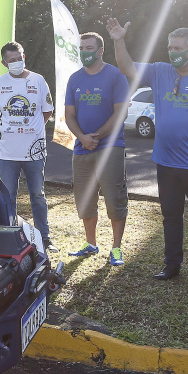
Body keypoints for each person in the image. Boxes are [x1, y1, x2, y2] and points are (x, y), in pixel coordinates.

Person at [106, 19, 188, 288]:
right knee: (171, 217)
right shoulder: (160, 71)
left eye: (177, 47)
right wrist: (119, 39)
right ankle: (172, 265)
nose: (172, 51)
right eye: (169, 46)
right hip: (166, 163)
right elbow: (126, 67)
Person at [63, 33, 130, 266]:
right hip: (82, 150)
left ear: (100, 50)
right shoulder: (75, 79)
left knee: (115, 199)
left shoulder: (115, 76)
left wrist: (97, 136)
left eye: (89, 47)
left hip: (110, 148)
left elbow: (121, 113)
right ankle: (90, 244)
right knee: (84, 200)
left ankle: (116, 249)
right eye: (81, 48)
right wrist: (82, 137)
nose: (84, 52)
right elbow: (69, 115)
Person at [0, 41, 57, 253]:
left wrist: (31, 129)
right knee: (8, 196)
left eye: (19, 58)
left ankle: (44, 238)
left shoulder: (38, 80)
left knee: (37, 194)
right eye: (12, 60)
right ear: (3, 62)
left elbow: (47, 111)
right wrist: (14, 128)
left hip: (34, 150)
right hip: (8, 152)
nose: (17, 63)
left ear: (24, 57)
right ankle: (12, 237)